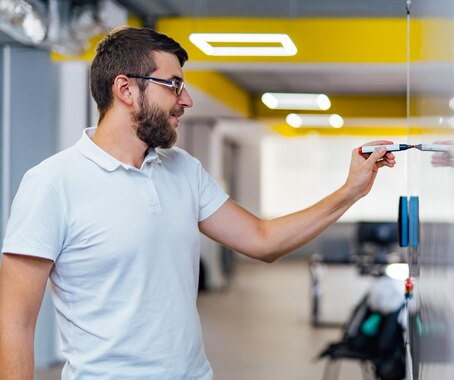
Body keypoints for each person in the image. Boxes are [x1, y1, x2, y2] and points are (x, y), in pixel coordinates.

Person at [0, 27, 395, 379]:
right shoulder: (52, 184)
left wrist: (351, 190)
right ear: (125, 90)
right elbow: (13, 321)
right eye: (173, 84)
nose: (186, 99)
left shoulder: (183, 169)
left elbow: (263, 239)